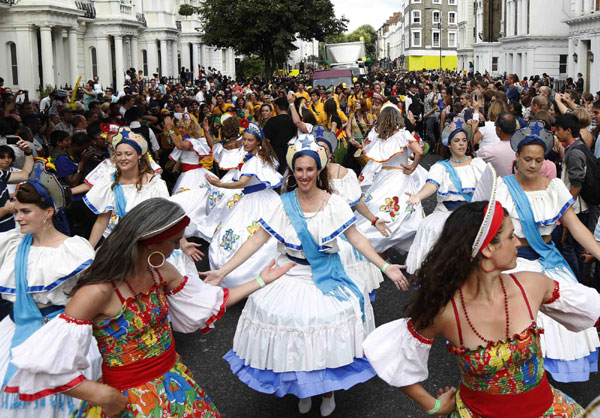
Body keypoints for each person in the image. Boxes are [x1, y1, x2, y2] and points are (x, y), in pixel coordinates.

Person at [5, 198, 294, 417]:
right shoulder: (96, 292)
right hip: (128, 399)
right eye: (171, 242)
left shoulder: (160, 271)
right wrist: (102, 396)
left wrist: (261, 279)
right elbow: (45, 367)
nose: (176, 248)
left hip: (175, 381)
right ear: (149, 243)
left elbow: (209, 302)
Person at [203, 135, 409, 417]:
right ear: (292, 171)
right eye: (299, 170)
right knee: (291, 327)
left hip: (326, 273)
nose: (304, 175)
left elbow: (357, 239)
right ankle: (304, 387)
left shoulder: (334, 203)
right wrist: (223, 271)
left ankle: (326, 390)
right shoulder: (283, 203)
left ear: (319, 171)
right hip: (290, 272)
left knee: (323, 325)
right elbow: (256, 240)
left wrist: (386, 267)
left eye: (309, 169)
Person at [363, 196, 600, 417]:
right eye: (510, 236)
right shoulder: (445, 311)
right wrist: (433, 405)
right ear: (487, 249)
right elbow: (393, 357)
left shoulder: (533, 284)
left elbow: (592, 310)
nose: (518, 242)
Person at [495, 121, 600, 382]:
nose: (532, 165)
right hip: (513, 264)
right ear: (516, 156)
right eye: (527, 159)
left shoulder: (555, 187)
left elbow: (576, 228)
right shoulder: (502, 188)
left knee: (561, 323)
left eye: (538, 160)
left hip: (548, 261)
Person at [0, 160, 100, 418]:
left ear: (48, 212)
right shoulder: (11, 244)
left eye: (25, 212)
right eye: (17, 211)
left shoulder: (73, 249)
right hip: (15, 330)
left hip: (60, 337)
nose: (18, 217)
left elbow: (91, 295)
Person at [206, 121, 282, 287]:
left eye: (250, 140)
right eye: (245, 139)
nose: (246, 143)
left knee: (249, 235)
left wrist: (220, 185)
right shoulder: (259, 157)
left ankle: (244, 276)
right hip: (260, 197)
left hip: (254, 200)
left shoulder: (253, 160)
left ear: (258, 143)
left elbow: (242, 183)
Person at [314, 127, 387, 299]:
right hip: (316, 230)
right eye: (316, 148)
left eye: (323, 149)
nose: (319, 152)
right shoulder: (307, 174)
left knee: (347, 254)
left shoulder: (344, 173)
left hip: (342, 231)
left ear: (331, 153)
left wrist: (374, 220)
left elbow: (357, 201)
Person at [406, 120, 487, 274]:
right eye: (457, 141)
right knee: (434, 231)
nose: (461, 144)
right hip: (447, 213)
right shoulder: (441, 167)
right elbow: (432, 185)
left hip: (472, 213)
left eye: (464, 140)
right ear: (449, 145)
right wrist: (418, 196)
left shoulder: (478, 164)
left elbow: (491, 186)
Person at [355, 105, 426, 253]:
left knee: (377, 207)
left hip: (382, 177)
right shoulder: (403, 135)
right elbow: (419, 151)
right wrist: (412, 166)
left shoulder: (379, 139)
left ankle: (380, 251)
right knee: (407, 214)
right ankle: (411, 251)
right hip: (401, 176)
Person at [84, 127, 169, 247]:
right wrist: (88, 250)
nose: (123, 158)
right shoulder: (110, 183)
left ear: (139, 156)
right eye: (119, 154)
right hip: (120, 245)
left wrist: (182, 242)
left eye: (128, 154)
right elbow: (102, 221)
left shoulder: (154, 184)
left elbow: (167, 217)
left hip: (148, 245)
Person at [0, 139, 34, 232]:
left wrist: (28, 152)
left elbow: (24, 175)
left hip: (9, 232)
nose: (6, 160)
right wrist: (6, 210)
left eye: (9, 157)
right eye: (2, 157)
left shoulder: (1, 174)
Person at [475, 111, 518, 177]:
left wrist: (473, 129)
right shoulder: (522, 148)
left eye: (495, 125)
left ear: (499, 129)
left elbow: (470, 158)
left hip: (499, 186)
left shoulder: (488, 151)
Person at [263, 97, 296, 174]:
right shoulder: (294, 121)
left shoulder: (272, 121)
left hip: (276, 156)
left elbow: (265, 140)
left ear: (277, 107)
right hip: (292, 154)